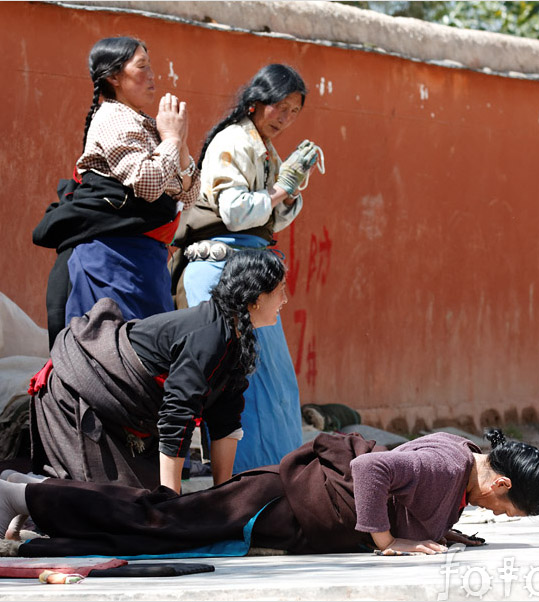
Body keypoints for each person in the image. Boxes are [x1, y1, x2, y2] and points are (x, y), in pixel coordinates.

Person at [0, 429, 539, 559]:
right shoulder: (445, 462)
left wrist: (439, 530)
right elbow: (373, 473)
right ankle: (23, 498)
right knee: (160, 520)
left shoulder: (462, 460)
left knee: (161, 531)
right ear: (503, 483)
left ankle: (38, 511)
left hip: (283, 506)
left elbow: (412, 495)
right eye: (509, 508)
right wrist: (388, 542)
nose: (501, 515)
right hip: (273, 503)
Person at [27, 250, 288, 495]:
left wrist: (224, 496)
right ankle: (18, 493)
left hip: (123, 409)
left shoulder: (235, 339)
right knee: (113, 506)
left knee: (138, 503)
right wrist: (170, 503)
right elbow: (178, 415)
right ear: (256, 297)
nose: (284, 300)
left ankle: (21, 490)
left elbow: (225, 421)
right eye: (280, 291)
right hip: (80, 387)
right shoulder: (208, 335)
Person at [169, 64, 322, 473]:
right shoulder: (233, 140)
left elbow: (266, 221)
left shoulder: (263, 147)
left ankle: (278, 478)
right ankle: (246, 484)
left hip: (251, 273)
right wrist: (278, 190)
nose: (286, 120)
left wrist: (289, 191)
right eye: (281, 108)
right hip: (221, 272)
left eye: (294, 112)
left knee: (275, 385)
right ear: (257, 102)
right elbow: (236, 212)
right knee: (240, 386)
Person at [33, 37, 200, 347]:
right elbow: (149, 185)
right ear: (113, 77)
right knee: (112, 358)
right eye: (142, 67)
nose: (152, 76)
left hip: (145, 264)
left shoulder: (148, 126)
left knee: (150, 359)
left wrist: (181, 142)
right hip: (110, 262)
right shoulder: (112, 118)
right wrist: (172, 140)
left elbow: (188, 197)